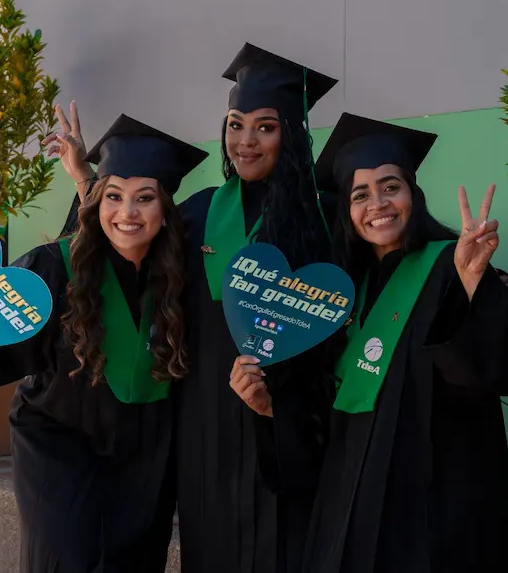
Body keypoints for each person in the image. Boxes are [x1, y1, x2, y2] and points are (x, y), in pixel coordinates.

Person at [52, 43, 339, 573]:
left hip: (284, 419)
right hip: (201, 418)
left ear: (292, 133)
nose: (245, 141)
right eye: (235, 124)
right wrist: (87, 182)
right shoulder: (203, 212)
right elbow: (129, 237)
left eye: (265, 127)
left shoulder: (327, 218)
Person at [0, 114, 209, 573]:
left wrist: (84, 173)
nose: (127, 213)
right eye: (114, 197)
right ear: (98, 203)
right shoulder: (56, 266)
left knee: (135, 558)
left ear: (165, 211)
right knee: (64, 559)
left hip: (144, 448)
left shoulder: (181, 276)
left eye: (145, 199)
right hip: (59, 440)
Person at [230, 112, 508, 573]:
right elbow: (332, 405)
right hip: (349, 499)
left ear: (412, 195)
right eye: (361, 194)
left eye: (390, 187)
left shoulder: (453, 266)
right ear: (347, 211)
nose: (378, 203)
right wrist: (272, 409)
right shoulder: (339, 292)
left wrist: (475, 284)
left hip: (437, 502)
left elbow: (495, 374)